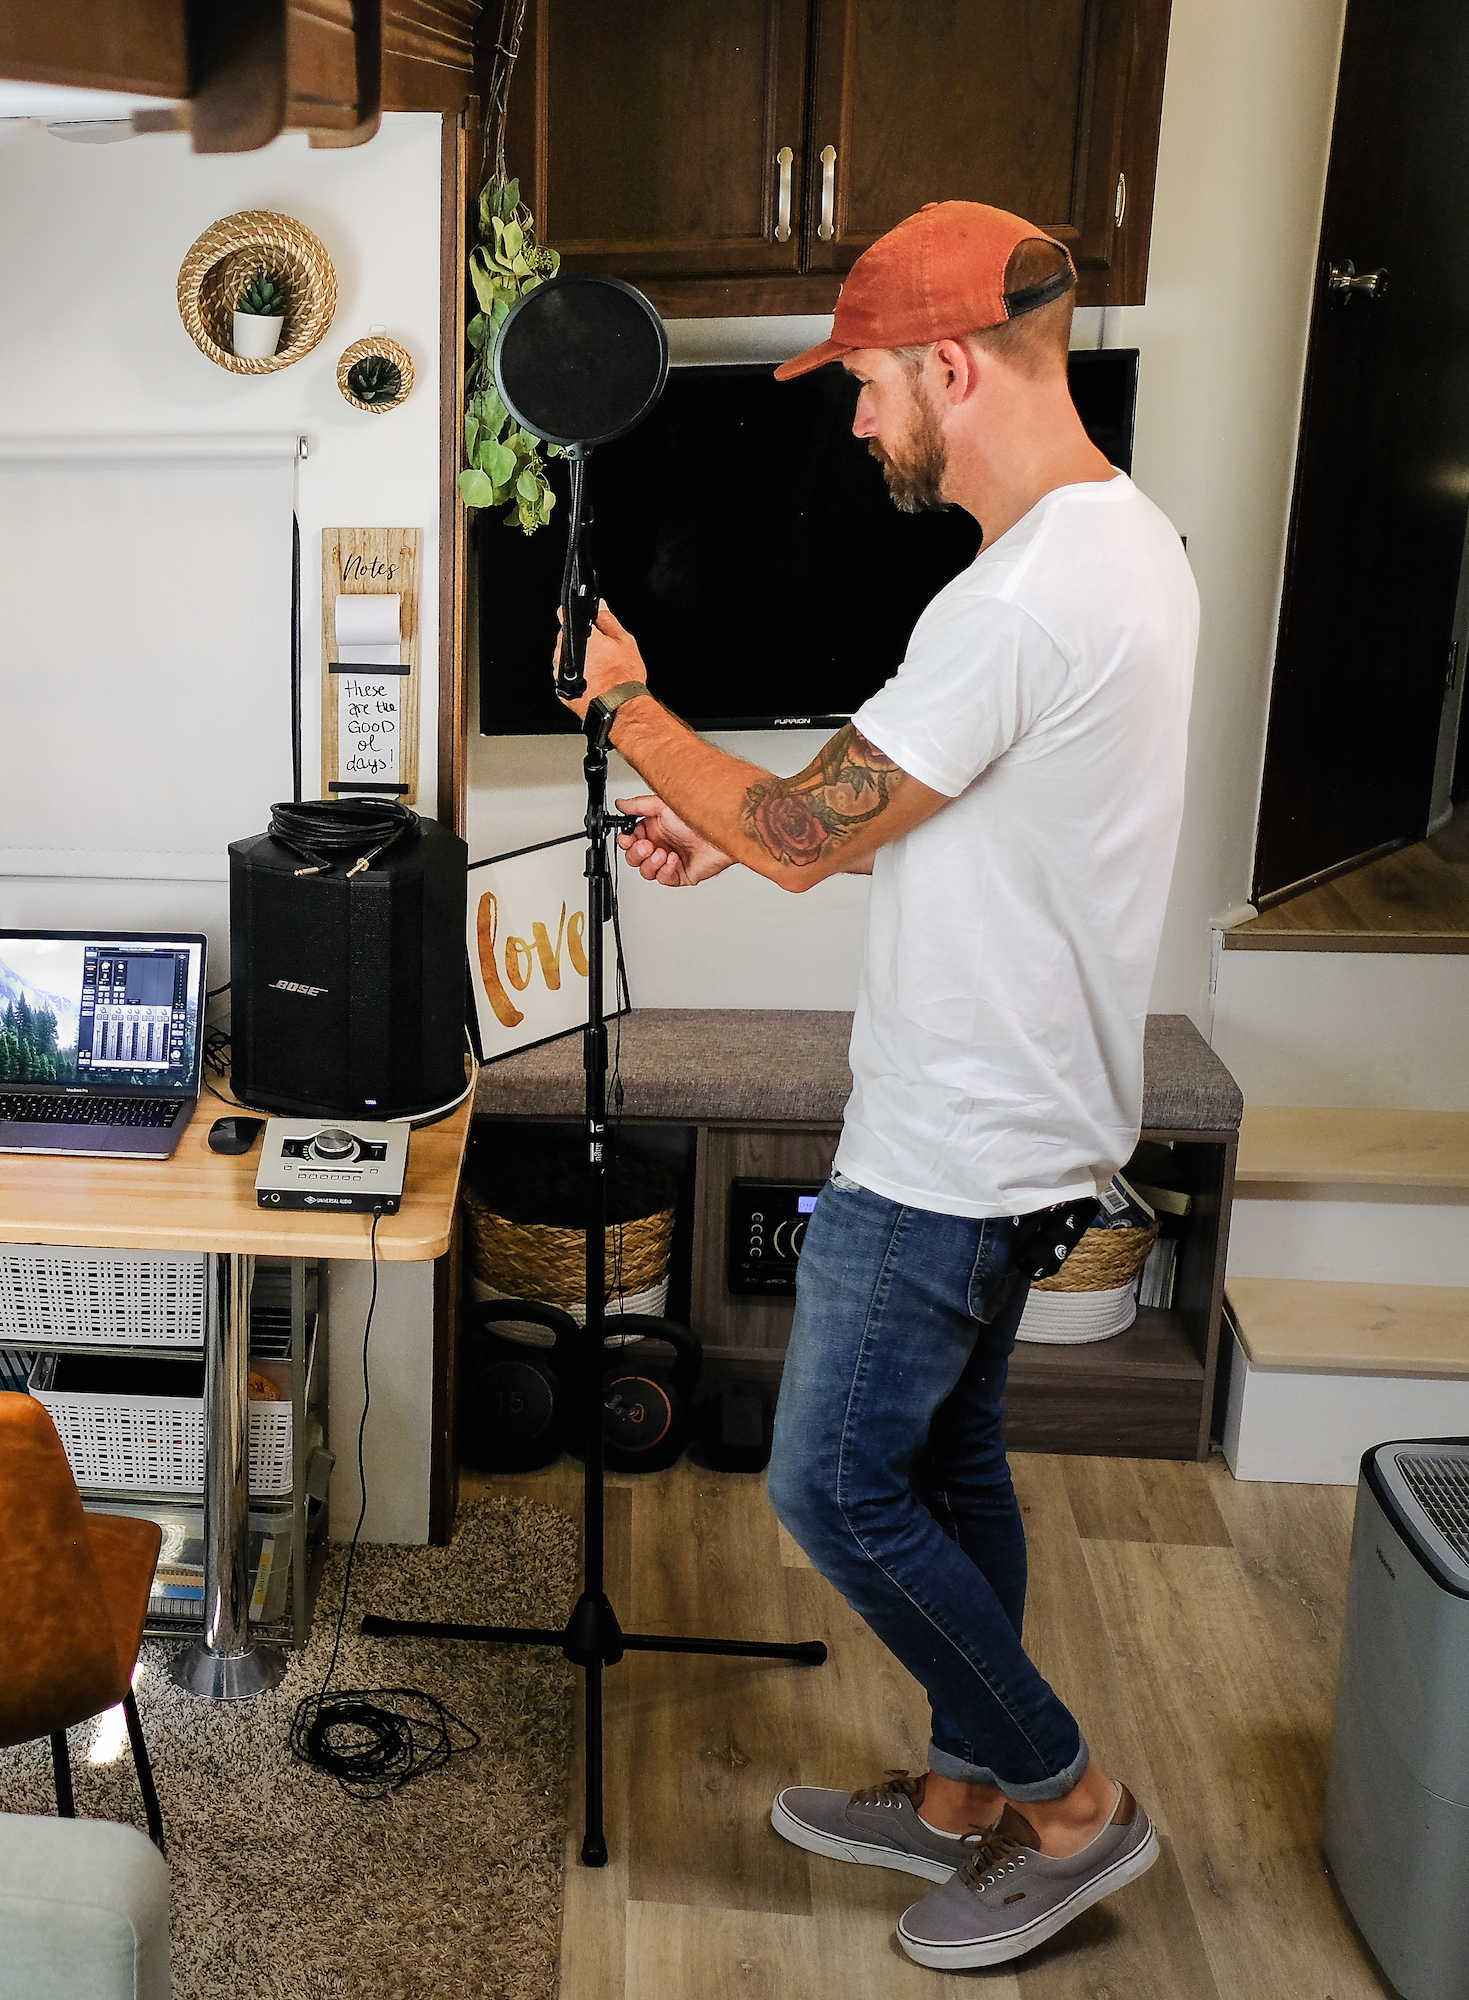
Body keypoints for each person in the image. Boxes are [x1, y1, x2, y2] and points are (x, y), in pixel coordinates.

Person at [548, 201, 1197, 1972]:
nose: (853, 422)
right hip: (1041, 1101)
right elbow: (898, 819)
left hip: (954, 1135)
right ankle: (961, 1793)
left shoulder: (1017, 596)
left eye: (866, 387)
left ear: (951, 363)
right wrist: (722, 823)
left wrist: (632, 717)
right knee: (953, 1458)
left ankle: (1071, 1804)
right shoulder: (1127, 547)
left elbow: (802, 834)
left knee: (833, 1487)